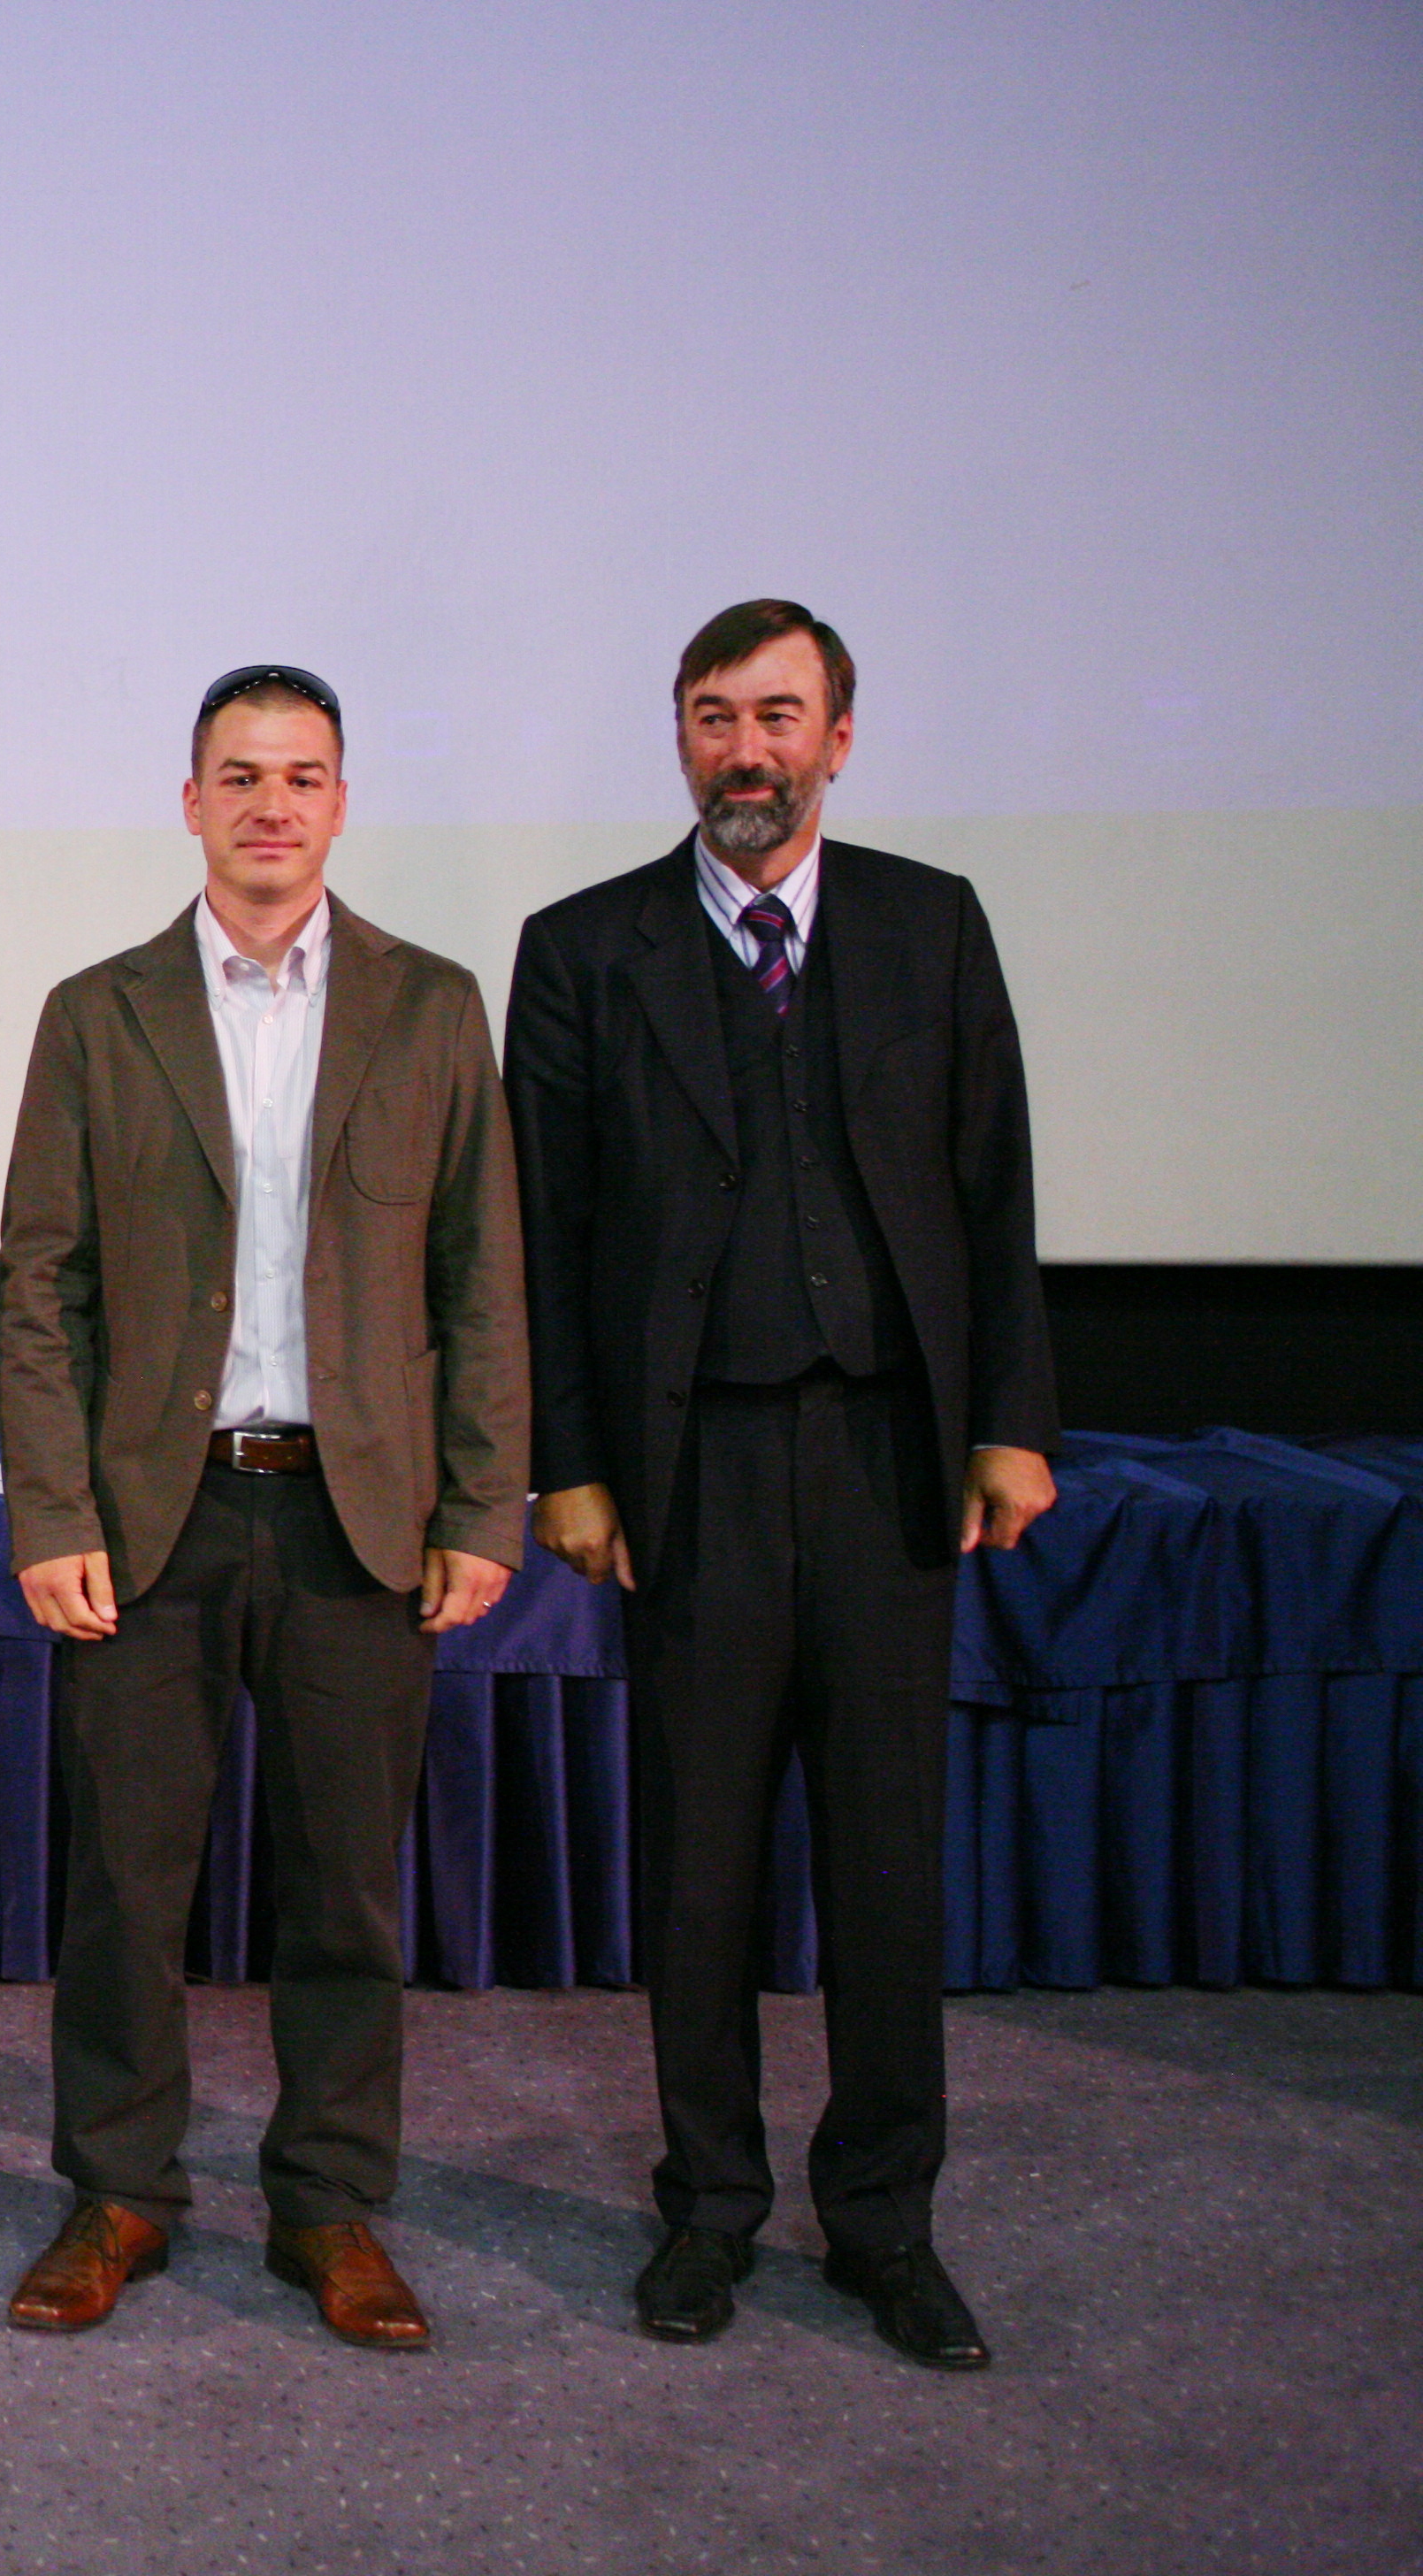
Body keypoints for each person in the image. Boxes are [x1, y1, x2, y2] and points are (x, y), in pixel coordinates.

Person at [504, 601, 1056, 2369]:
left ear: (838, 736)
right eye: (715, 716)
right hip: (695, 1472)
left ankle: (886, 2218)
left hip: (895, 1460)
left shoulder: (929, 922)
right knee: (701, 1868)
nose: (747, 751)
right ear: (680, 735)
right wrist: (571, 1462)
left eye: (779, 716)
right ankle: (710, 2207)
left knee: (889, 1863)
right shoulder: (583, 949)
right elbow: (547, 1234)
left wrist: (1011, 1421)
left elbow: (995, 1187)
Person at [0, 663, 528, 2346]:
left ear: (342, 803)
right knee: (124, 1889)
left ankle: (330, 2205)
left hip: (359, 1523)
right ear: (192, 803)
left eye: (303, 776)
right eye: (240, 776)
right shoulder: (100, 1011)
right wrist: (50, 1513)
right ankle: (118, 2191)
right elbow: (42, 1287)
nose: (272, 805)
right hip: (153, 1521)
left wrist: (483, 1509)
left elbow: (482, 1279)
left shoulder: (432, 1007)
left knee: (348, 1892)